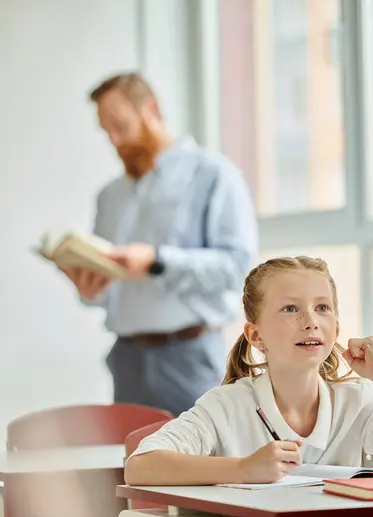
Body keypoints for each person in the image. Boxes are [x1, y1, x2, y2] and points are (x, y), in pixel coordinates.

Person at [125, 255, 373, 517]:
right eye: (290, 309)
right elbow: (141, 464)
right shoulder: (226, 405)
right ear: (256, 335)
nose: (310, 321)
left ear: (337, 328)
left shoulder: (359, 400)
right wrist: (244, 468)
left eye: (322, 308)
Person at [62, 72, 257, 415]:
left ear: (151, 109)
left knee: (201, 464)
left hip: (187, 357)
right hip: (126, 359)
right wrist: (90, 289)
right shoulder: (110, 196)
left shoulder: (213, 175)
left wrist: (157, 261)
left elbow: (235, 267)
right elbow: (109, 289)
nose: (114, 139)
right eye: (105, 130)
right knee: (131, 466)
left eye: (120, 125)